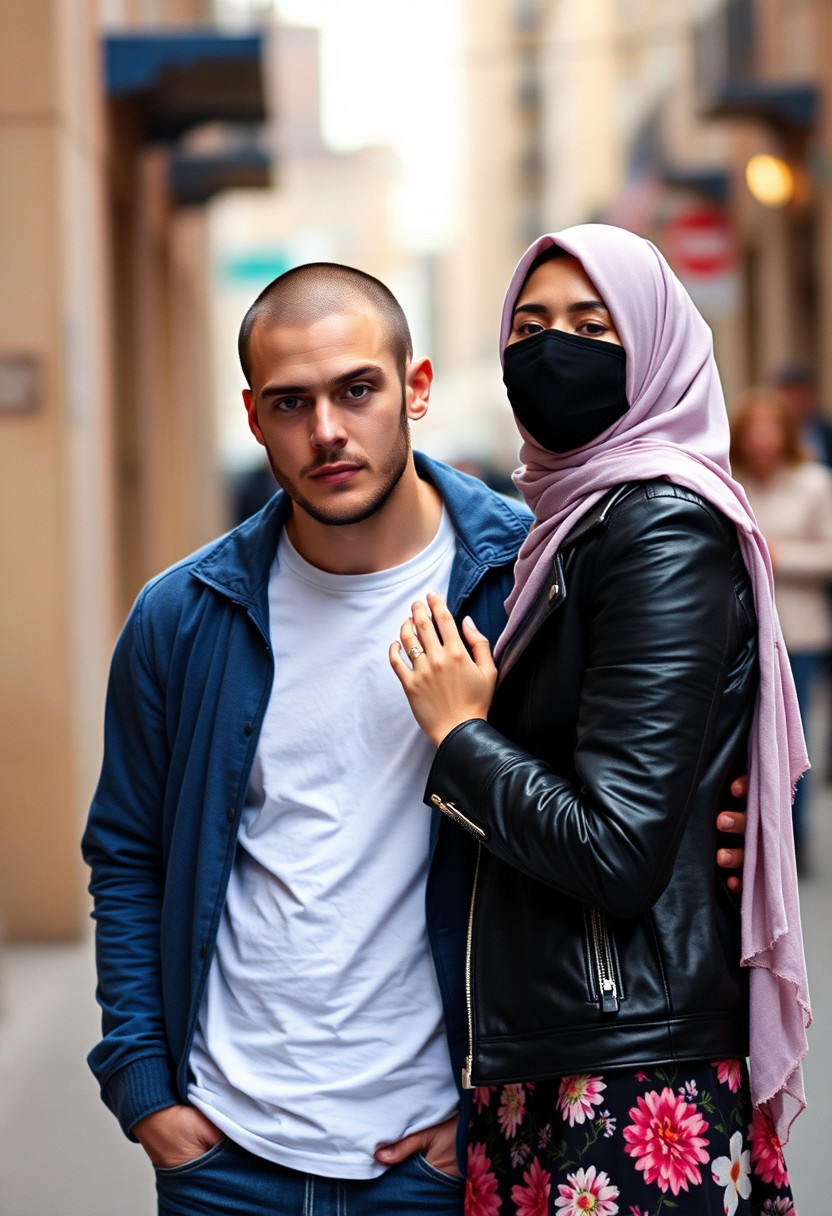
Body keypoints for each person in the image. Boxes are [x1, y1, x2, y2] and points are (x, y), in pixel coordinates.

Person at [82, 261, 746, 1216]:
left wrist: (728, 826)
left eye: (357, 390)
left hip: (437, 1157)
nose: (327, 433)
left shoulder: (528, 581)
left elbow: (625, 798)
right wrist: (145, 1086)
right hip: (225, 1153)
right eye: (289, 403)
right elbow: (128, 854)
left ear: (416, 388)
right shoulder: (183, 617)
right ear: (252, 414)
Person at [390, 225, 810, 1215]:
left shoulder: (658, 524)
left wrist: (461, 737)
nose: (552, 349)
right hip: (574, 1049)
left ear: (657, 345)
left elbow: (616, 846)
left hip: (623, 1074)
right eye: (527, 325)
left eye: (592, 324)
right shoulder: (566, 525)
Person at [731, 386, 832, 871]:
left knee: (797, 740)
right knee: (751, 738)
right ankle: (763, 837)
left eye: (771, 429)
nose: (762, 440)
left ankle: (797, 838)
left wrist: (780, 556)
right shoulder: (730, 480)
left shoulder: (814, 483)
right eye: (754, 430)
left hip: (800, 630)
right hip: (745, 629)